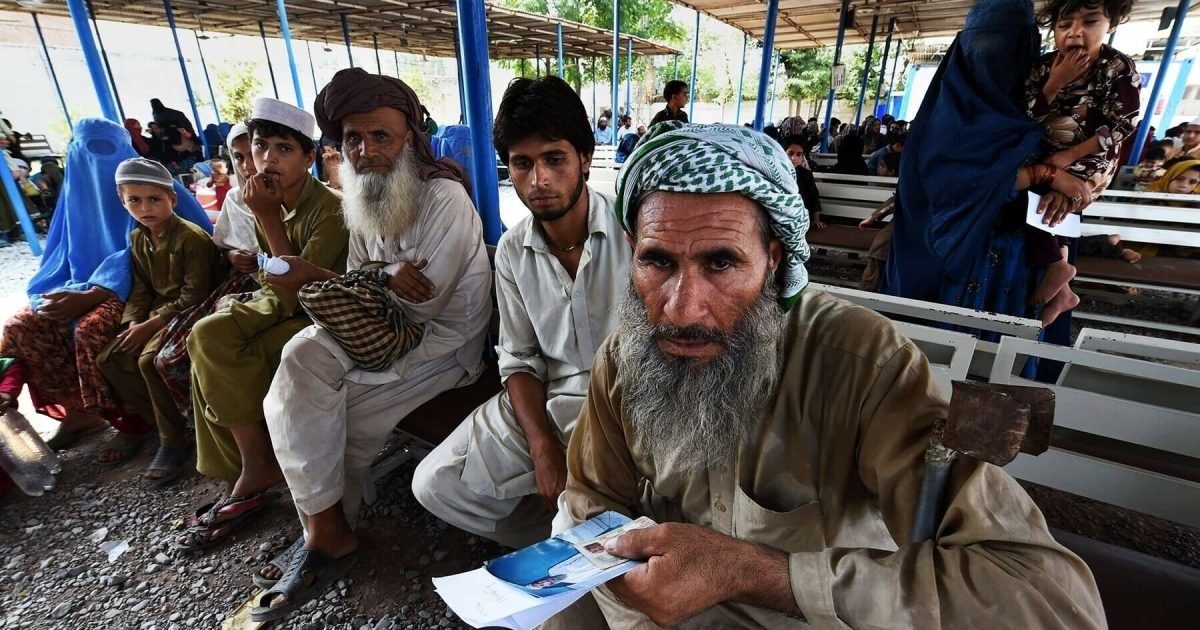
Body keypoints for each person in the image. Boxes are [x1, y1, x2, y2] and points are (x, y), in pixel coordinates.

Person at [552, 120, 1105, 628]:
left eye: (720, 263)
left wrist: (751, 572)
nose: (681, 309)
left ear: (773, 259)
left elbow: (1051, 600)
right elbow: (591, 502)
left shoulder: (865, 364)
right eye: (658, 262)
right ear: (633, 252)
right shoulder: (627, 357)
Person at [250, 68, 490, 620]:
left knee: (334, 408)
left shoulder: (445, 199)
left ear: (410, 138)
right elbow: (365, 281)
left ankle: (330, 529)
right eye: (352, 139)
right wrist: (384, 276)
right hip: (378, 327)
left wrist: (355, 279)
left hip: (441, 345)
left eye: (381, 136)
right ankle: (324, 528)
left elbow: (418, 307)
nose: (365, 151)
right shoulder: (360, 197)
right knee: (298, 360)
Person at [412, 75, 632, 551]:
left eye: (554, 159)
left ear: (585, 158)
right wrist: (541, 447)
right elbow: (519, 360)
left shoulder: (632, 231)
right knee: (435, 482)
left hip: (630, 411)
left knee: (620, 500)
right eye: (522, 163)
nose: (539, 180)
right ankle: (565, 544)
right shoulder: (512, 251)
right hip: (550, 404)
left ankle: (589, 540)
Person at [176, 98, 349, 552]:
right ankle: (247, 467)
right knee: (205, 338)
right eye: (260, 147)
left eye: (284, 148)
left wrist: (268, 218)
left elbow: (298, 292)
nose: (268, 159)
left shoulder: (330, 208)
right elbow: (267, 277)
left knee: (218, 345)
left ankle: (257, 468)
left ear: (309, 158)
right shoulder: (263, 200)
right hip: (279, 305)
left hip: (320, 316)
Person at [0, 118, 210, 463]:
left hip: (136, 290)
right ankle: (78, 410)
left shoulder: (156, 191)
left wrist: (99, 293)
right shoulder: (77, 190)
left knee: (93, 331)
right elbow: (59, 252)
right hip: (83, 283)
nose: (143, 206)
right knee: (21, 326)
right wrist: (55, 293)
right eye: (87, 151)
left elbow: (176, 268)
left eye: (107, 150)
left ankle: (134, 421)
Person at [883, 0, 1094, 337]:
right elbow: (949, 185)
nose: (994, 58)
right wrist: (1048, 175)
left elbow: (1083, 163)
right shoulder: (944, 117)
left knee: (1003, 356)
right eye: (982, 44)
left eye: (1008, 46)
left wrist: (1068, 191)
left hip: (1018, 265)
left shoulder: (1045, 105)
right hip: (949, 262)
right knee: (939, 353)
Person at [148, 123, 264, 483]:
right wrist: (234, 257)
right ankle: (218, 442)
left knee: (209, 351)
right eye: (238, 157)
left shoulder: (302, 199)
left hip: (269, 291)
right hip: (237, 282)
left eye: (254, 154)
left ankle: (250, 455)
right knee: (167, 358)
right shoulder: (235, 200)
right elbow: (225, 246)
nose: (248, 165)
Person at [96, 158, 221, 483]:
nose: (145, 208)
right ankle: (160, 421)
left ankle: (173, 442)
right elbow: (140, 290)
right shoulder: (138, 239)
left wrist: (149, 326)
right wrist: (132, 324)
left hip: (193, 311)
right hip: (157, 314)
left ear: (172, 199)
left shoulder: (191, 238)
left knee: (149, 360)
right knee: (110, 358)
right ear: (122, 201)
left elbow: (194, 295)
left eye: (154, 199)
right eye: (134, 200)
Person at [1023, 0, 1140, 327]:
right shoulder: (1044, 67)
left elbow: (1123, 124)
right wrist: (1055, 82)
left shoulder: (1116, 66)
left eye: (1089, 22)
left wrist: (1070, 157)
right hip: (1049, 153)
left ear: (1111, 24)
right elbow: (1029, 115)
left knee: (1052, 197)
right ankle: (1062, 282)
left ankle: (1056, 267)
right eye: (1064, 25)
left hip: (1093, 156)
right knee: (1035, 198)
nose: (1075, 32)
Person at [781, 135, 824, 230]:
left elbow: (814, 197)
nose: (794, 158)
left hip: (802, 217)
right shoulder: (776, 174)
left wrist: (816, 219)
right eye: (790, 154)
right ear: (782, 153)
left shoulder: (806, 174)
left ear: (802, 156)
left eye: (798, 154)